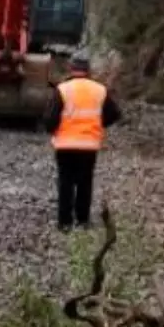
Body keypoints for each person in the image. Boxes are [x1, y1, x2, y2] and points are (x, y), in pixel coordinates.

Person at [43, 50, 122, 232]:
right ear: (88, 70)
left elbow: (50, 119)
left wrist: (53, 130)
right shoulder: (99, 90)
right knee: (85, 182)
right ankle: (83, 220)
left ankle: (64, 222)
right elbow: (114, 114)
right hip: (89, 145)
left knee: (66, 182)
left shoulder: (62, 90)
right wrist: (98, 124)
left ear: (71, 68)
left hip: (65, 145)